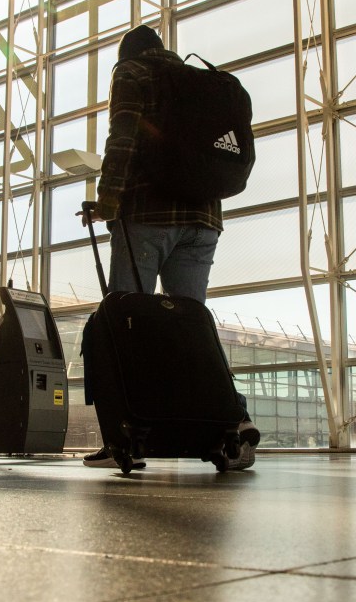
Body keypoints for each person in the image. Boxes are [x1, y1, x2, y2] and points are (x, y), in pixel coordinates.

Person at [82, 24, 259, 470]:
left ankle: (124, 437)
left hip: (148, 217)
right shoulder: (196, 81)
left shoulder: (133, 73)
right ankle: (233, 426)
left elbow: (121, 139)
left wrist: (106, 202)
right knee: (192, 332)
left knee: (127, 324)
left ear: (126, 54)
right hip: (204, 220)